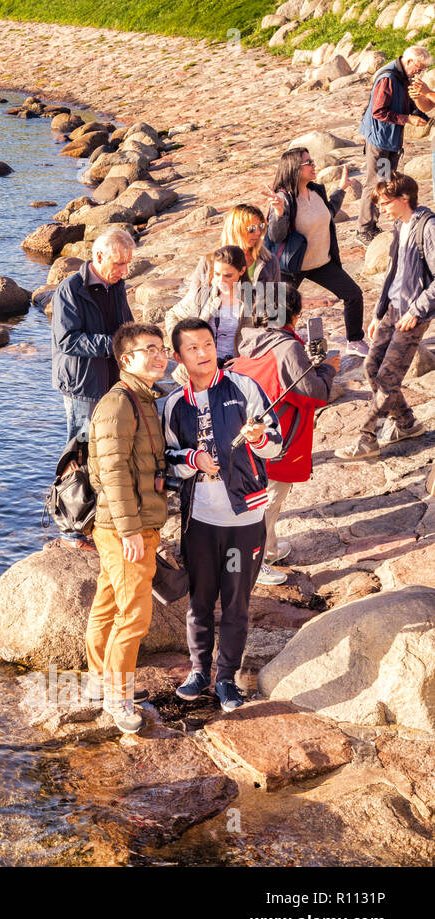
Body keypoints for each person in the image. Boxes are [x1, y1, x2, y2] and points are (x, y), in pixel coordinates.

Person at [163, 318, 283, 712]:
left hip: (245, 520)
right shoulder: (173, 405)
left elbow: (276, 446)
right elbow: (167, 460)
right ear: (178, 357)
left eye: (208, 344)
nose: (204, 353)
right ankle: (199, 671)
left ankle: (227, 678)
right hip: (199, 521)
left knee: (236, 603)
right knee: (199, 601)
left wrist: (259, 437)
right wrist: (193, 459)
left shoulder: (243, 387)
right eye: (193, 348)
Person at [83, 322, 170, 734]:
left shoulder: (143, 399)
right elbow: (112, 472)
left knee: (107, 603)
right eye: (148, 349)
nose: (159, 355)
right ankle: (118, 698)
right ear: (125, 360)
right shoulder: (119, 404)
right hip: (124, 528)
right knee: (135, 614)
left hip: (128, 524)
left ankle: (99, 681)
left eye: (162, 348)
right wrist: (131, 530)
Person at [233, 284, 339, 586]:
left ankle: (270, 546)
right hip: (277, 438)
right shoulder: (287, 348)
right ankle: (254, 562)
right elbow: (314, 393)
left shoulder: (252, 338)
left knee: (266, 497)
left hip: (253, 432)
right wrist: (329, 370)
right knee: (269, 499)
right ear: (294, 313)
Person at [338, 174, 434, 459]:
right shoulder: (398, 224)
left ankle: (367, 436)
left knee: (388, 378)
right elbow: (393, 273)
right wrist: (377, 313)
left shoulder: (428, 228)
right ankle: (405, 423)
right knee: (371, 368)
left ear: (405, 199)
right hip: (391, 310)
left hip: (412, 315)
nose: (383, 208)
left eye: (386, 202)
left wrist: (416, 312)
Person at [51, 227, 135, 547]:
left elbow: (124, 325)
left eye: (127, 263)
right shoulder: (70, 289)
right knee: (80, 455)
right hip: (82, 386)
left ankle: (96, 520)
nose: (124, 270)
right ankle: (71, 530)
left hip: (112, 381)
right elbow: (67, 340)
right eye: (119, 264)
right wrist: (114, 344)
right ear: (98, 257)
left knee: (108, 453)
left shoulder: (117, 284)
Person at [266, 148, 368, 356]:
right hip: (292, 267)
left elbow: (328, 213)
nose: (313, 165)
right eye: (308, 162)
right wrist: (278, 213)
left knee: (353, 294)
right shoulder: (283, 198)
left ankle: (355, 341)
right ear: (294, 169)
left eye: (311, 160)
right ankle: (273, 352)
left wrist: (340, 190)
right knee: (277, 313)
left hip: (321, 263)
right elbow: (275, 236)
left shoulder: (316, 191)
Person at [358, 46, 432, 243]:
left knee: (386, 181)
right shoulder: (388, 78)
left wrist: (419, 115)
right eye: (418, 68)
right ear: (408, 62)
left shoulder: (403, 76)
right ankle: (364, 230)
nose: (419, 73)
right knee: (376, 183)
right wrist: (407, 119)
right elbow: (378, 112)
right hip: (380, 140)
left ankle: (372, 225)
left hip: (390, 140)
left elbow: (405, 103)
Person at [165, 245, 253, 367]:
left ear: (242, 271)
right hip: (200, 368)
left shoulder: (254, 300)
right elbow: (172, 315)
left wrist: (246, 360)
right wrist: (182, 344)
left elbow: (265, 338)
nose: (221, 280)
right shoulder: (203, 295)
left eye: (228, 275)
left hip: (239, 370)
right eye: (217, 274)